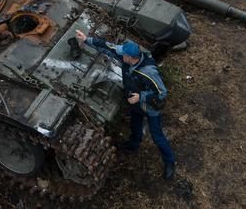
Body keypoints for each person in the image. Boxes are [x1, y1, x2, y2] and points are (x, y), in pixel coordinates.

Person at [75, 30, 176, 180]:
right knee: (135, 125)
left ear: (130, 57)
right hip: (135, 104)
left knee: (158, 137)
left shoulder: (149, 71)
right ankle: (133, 144)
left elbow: (162, 93)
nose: (121, 55)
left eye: (124, 55)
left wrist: (141, 96)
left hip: (150, 107)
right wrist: (86, 40)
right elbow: (108, 47)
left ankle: (170, 162)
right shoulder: (127, 58)